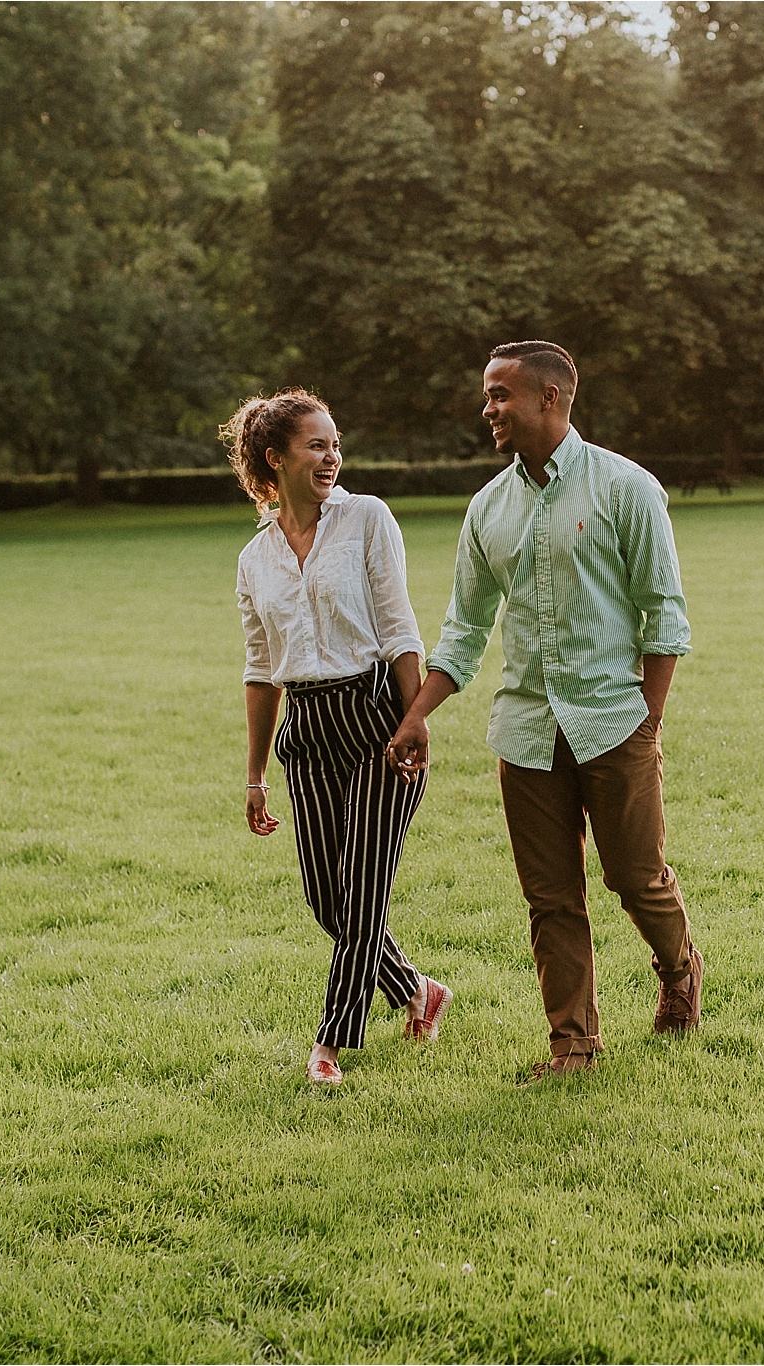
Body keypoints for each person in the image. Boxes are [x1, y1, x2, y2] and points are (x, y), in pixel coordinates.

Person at [385, 341, 701, 1085]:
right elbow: (464, 630)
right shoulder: (487, 509)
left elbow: (666, 617)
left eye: (500, 395)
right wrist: (417, 714)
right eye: (487, 395)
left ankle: (679, 965)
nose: (487, 409)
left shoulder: (626, 489)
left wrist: (647, 724)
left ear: (550, 398)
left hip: (613, 722)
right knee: (550, 898)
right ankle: (574, 1046)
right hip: (526, 731)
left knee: (635, 878)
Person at [227, 388, 450, 1087]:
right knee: (327, 899)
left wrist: (415, 720)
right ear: (276, 457)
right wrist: (256, 774)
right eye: (317, 445)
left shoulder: (365, 519)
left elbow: (399, 625)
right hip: (307, 728)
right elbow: (261, 673)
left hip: (376, 716)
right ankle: (418, 990)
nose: (332, 456)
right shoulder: (254, 558)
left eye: (335, 444)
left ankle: (330, 1041)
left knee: (362, 898)